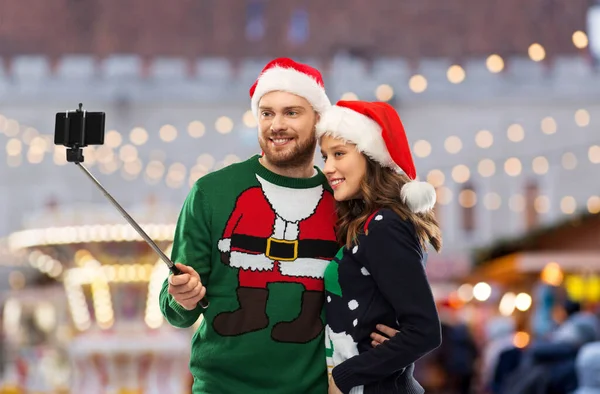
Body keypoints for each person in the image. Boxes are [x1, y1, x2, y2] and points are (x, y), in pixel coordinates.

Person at [159, 58, 397, 393]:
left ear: (318, 120)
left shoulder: (345, 199)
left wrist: (397, 328)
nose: (276, 124)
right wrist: (182, 297)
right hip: (222, 387)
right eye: (267, 113)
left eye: (291, 112)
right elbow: (175, 310)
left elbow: (380, 284)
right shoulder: (211, 193)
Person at [317, 100, 442, 393]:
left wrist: (343, 377)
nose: (328, 167)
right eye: (325, 157)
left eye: (339, 154)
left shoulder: (383, 225)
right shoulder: (366, 223)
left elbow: (424, 331)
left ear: (371, 156)